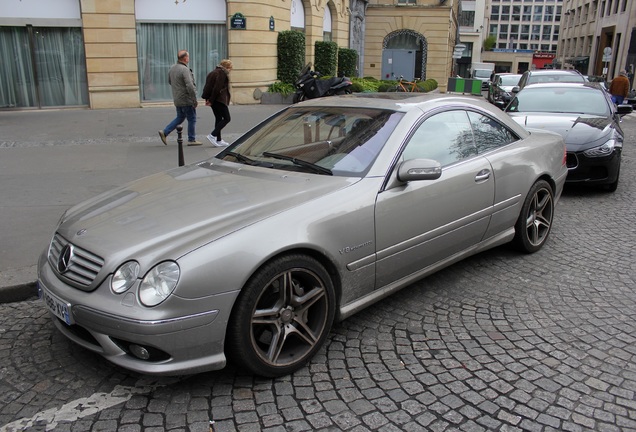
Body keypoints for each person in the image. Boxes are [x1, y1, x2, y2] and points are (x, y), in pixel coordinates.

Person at [158, 50, 201, 146]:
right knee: (192, 119)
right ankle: (191, 139)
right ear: (185, 58)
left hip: (177, 98)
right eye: (188, 57)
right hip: (186, 99)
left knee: (180, 117)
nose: (189, 58)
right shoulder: (184, 69)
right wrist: (194, 100)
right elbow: (190, 85)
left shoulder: (172, 68)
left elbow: (170, 81)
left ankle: (165, 132)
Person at [201, 59, 233, 147]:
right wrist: (211, 100)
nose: (230, 70)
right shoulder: (222, 74)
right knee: (227, 118)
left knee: (218, 118)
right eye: (230, 68)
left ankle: (218, 140)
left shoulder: (213, 72)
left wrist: (208, 99)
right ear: (227, 67)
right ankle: (212, 135)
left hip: (213, 99)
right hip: (219, 99)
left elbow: (208, 87)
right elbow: (216, 88)